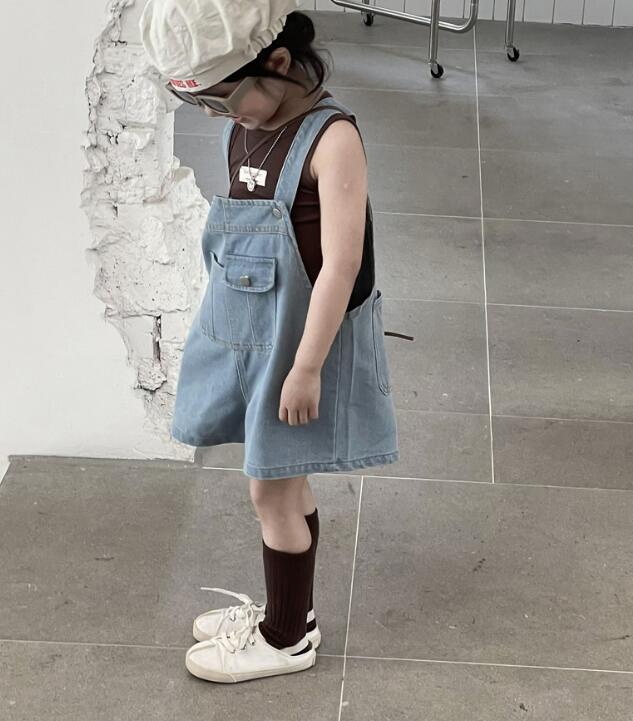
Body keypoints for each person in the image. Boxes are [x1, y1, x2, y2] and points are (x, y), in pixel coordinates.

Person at [140, 0, 403, 684]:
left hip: (300, 345)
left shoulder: (331, 140)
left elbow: (342, 265)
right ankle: (295, 612)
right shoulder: (249, 124)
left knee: (270, 493)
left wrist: (307, 367)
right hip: (254, 335)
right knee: (285, 479)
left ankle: (285, 638)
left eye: (223, 100)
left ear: (278, 62)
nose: (218, 118)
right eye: (200, 105)